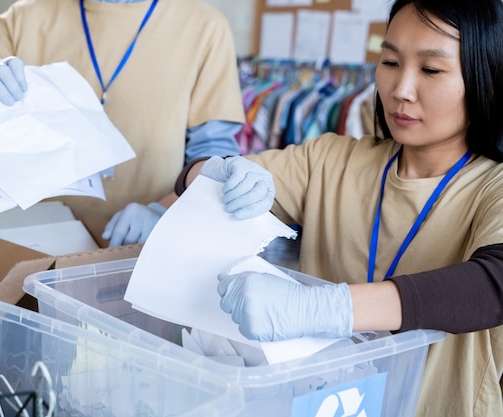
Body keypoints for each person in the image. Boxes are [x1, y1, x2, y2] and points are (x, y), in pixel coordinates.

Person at [176, 0, 503, 416]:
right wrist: (211, 173)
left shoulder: (493, 185)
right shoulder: (331, 160)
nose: (400, 89)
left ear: (485, 79)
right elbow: (196, 180)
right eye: (389, 62)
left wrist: (323, 309)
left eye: (430, 70)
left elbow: (494, 284)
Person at [0, 0, 245, 247]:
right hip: (33, 245)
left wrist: (164, 212)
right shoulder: (28, 15)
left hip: (142, 249)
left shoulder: (205, 27)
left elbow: (214, 156)